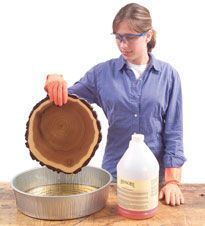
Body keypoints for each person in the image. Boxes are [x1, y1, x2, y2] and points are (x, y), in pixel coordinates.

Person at [44, 3, 186, 206]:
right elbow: (64, 101)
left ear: (148, 35)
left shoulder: (169, 76)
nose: (123, 44)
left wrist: (172, 181)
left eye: (130, 37)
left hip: (156, 180)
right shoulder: (101, 75)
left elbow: (174, 131)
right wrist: (54, 78)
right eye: (118, 37)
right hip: (114, 177)